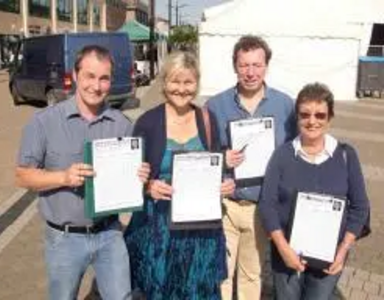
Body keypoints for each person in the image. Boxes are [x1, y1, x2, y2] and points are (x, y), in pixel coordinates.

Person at [15, 45, 150, 300]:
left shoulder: (122, 124)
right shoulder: (43, 122)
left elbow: (132, 179)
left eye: (104, 78)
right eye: (89, 76)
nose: (96, 86)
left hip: (109, 233)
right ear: (75, 76)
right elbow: (22, 175)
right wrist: (62, 177)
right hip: (64, 239)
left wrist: (139, 177)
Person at [124, 51, 235, 299]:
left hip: (199, 231)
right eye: (175, 81)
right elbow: (130, 176)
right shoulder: (147, 122)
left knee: (198, 291)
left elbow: (216, 166)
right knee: (160, 290)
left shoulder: (207, 120)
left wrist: (225, 183)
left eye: (188, 82)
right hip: (158, 230)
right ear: (164, 83)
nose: (182, 89)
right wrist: (147, 186)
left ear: (196, 84)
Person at [258, 83, 370, 300]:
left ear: (330, 117)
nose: (312, 121)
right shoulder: (282, 155)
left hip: (329, 254)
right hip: (286, 253)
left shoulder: (346, 156)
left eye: (320, 115)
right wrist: (283, 248)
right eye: (305, 114)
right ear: (297, 117)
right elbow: (267, 204)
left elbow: (360, 206)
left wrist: (343, 250)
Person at [206, 35, 297, 300]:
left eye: (257, 65)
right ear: (235, 66)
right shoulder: (214, 106)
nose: (250, 72)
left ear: (266, 66)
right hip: (226, 206)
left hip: (261, 208)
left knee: (251, 274)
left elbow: (293, 154)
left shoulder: (285, 105)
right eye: (244, 65)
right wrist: (221, 159)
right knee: (220, 274)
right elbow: (202, 153)